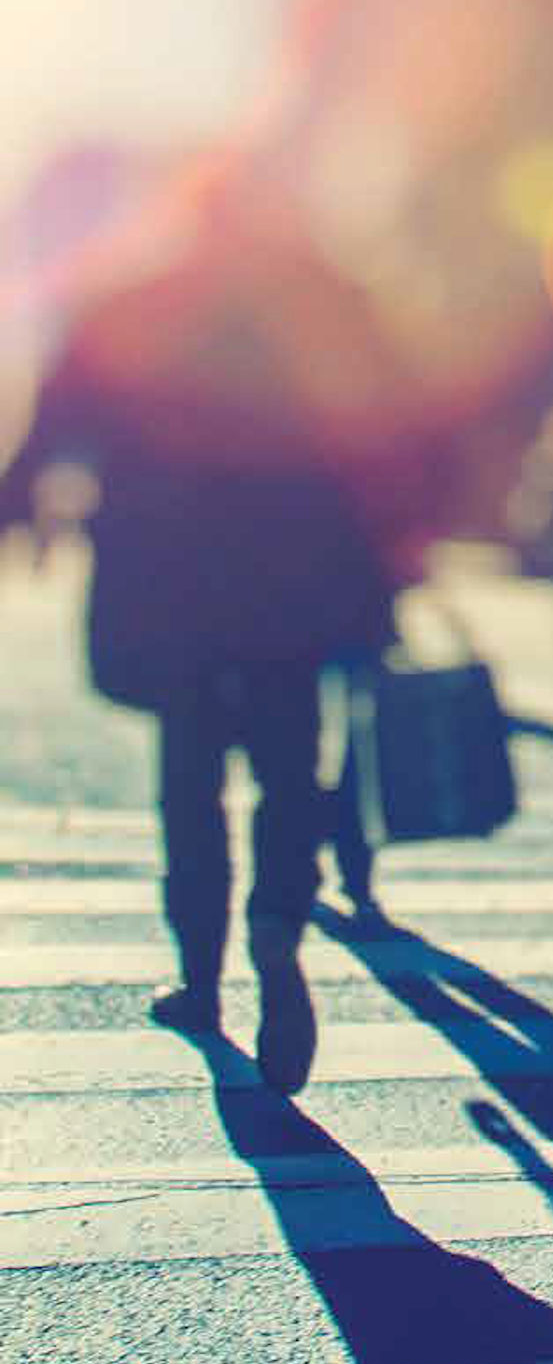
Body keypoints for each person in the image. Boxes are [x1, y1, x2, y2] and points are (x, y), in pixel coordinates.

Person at [0, 178, 400, 1095]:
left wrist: (16, 509)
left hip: (171, 594)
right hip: (293, 591)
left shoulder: (136, 306)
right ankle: (279, 927)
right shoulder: (322, 305)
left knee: (190, 788)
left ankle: (202, 979)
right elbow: (397, 429)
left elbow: (55, 423)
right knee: (289, 775)